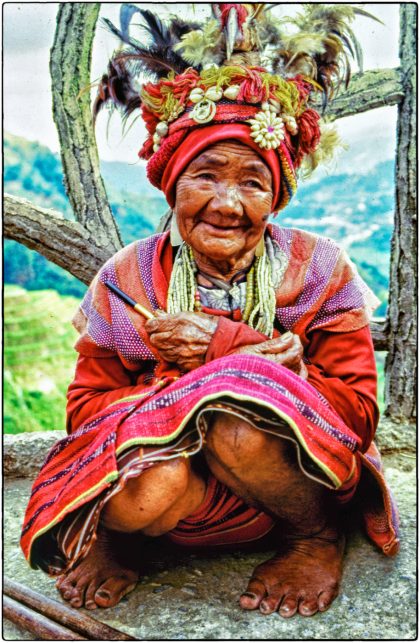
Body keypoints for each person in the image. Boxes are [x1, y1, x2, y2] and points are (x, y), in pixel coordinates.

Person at [21, 4, 399, 618]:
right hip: (182, 493)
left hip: (284, 488)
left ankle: (315, 538)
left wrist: (242, 359)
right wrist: (179, 392)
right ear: (172, 186)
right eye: (205, 175)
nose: (226, 203)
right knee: (150, 486)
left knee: (238, 422)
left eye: (253, 181)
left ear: (275, 197)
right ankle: (128, 539)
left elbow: (358, 419)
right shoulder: (125, 280)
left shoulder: (320, 270)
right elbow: (85, 414)